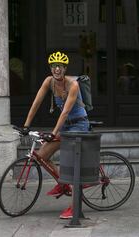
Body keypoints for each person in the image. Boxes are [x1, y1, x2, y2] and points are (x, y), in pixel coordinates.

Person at [21, 51, 90, 219]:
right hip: (65, 125)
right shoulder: (49, 82)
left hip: (79, 125)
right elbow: (36, 103)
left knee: (70, 165)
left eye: (60, 66)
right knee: (41, 155)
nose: (56, 69)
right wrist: (26, 125)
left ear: (65, 68)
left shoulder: (73, 85)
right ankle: (63, 183)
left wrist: (53, 133)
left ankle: (74, 207)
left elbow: (65, 112)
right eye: (53, 66)